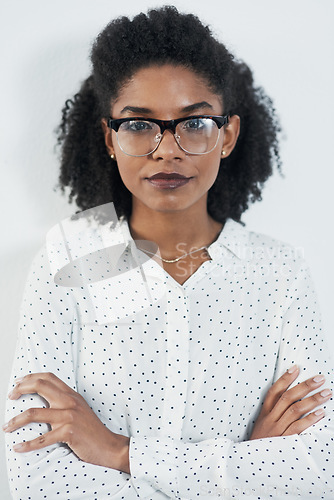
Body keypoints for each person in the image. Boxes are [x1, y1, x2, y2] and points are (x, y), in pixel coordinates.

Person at [4, 6, 334, 499]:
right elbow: (37, 477)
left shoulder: (279, 271)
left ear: (228, 135)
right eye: (139, 125)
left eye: (194, 122)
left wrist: (120, 452)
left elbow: (315, 468)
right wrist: (241, 468)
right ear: (109, 139)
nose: (166, 150)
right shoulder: (68, 258)